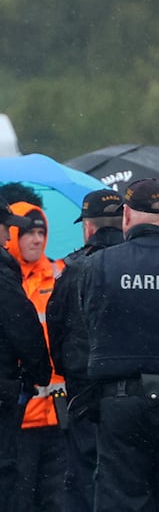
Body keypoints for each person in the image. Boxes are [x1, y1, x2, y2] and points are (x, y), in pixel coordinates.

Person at [80, 180, 159, 510]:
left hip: (119, 402)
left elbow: (87, 328)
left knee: (120, 497)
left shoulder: (97, 265)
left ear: (127, 217)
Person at [44, 189, 125, 512]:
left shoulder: (74, 270)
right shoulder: (138, 261)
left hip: (85, 390)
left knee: (84, 475)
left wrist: (67, 369)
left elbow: (56, 324)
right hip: (136, 390)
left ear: (88, 227)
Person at [5, 199, 66, 512]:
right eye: (28, 232)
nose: (37, 239)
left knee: (56, 500)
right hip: (20, 416)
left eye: (41, 232)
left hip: (59, 414)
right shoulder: (8, 281)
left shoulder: (61, 274)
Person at [0, 198, 50, 512]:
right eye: (6, 229)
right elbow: (24, 327)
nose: (8, 238)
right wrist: (37, 374)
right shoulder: (3, 274)